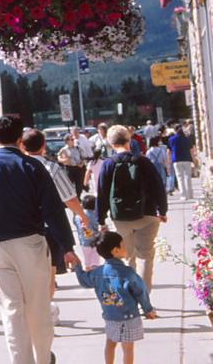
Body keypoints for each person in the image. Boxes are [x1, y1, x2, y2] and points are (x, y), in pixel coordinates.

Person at [0, 116, 78, 364]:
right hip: (30, 243)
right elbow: (53, 209)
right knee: (37, 307)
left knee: (11, 310)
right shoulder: (31, 166)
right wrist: (67, 247)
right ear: (20, 139)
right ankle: (42, 358)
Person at [21, 128, 90, 325]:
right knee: (49, 271)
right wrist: (83, 216)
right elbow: (69, 198)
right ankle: (46, 309)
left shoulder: (16, 167)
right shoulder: (52, 168)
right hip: (48, 227)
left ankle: (34, 310)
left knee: (29, 273)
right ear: (43, 146)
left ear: (22, 146)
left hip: (22, 227)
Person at [96, 125, 168, 292]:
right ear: (129, 140)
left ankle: (131, 295)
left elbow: (102, 193)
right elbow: (158, 187)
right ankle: (145, 299)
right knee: (146, 257)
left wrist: (101, 220)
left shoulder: (108, 164)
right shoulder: (143, 161)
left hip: (121, 218)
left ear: (110, 143)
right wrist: (162, 211)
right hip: (147, 214)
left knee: (127, 257)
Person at [75, 231, 157, 364]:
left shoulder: (97, 273)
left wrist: (77, 267)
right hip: (128, 316)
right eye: (123, 245)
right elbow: (141, 292)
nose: (126, 247)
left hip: (110, 316)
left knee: (110, 343)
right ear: (115, 250)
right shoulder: (128, 273)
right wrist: (148, 309)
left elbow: (84, 281)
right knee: (128, 348)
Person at [168, 125, 196, 200]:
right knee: (188, 177)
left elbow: (169, 151)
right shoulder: (187, 139)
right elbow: (191, 150)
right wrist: (194, 160)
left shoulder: (171, 139)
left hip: (176, 160)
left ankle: (183, 195)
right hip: (187, 159)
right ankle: (190, 194)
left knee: (180, 178)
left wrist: (169, 161)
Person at [77, 194, 101, 270]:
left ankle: (88, 276)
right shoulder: (95, 215)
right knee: (95, 262)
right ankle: (95, 277)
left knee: (87, 262)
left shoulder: (78, 216)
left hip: (84, 242)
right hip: (95, 241)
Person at [86, 123, 111, 194]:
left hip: (108, 157)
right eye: (99, 129)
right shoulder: (96, 137)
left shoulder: (109, 136)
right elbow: (88, 143)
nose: (99, 131)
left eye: (101, 129)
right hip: (100, 158)